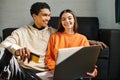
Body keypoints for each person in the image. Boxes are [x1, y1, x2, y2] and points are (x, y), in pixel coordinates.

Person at [0, 2, 106, 80]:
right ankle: (5, 74)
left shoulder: (52, 32)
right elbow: (4, 44)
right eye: (44, 15)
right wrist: (18, 50)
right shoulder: (21, 32)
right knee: (3, 51)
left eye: (49, 15)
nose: (48, 18)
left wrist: (91, 42)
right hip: (24, 70)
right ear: (34, 16)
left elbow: (70, 36)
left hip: (45, 73)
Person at [45, 9, 97, 80]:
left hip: (76, 74)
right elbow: (49, 58)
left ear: (74, 20)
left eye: (69, 18)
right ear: (61, 22)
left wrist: (94, 71)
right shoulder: (54, 37)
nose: (67, 21)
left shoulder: (82, 38)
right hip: (59, 73)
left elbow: (88, 61)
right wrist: (55, 69)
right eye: (63, 19)